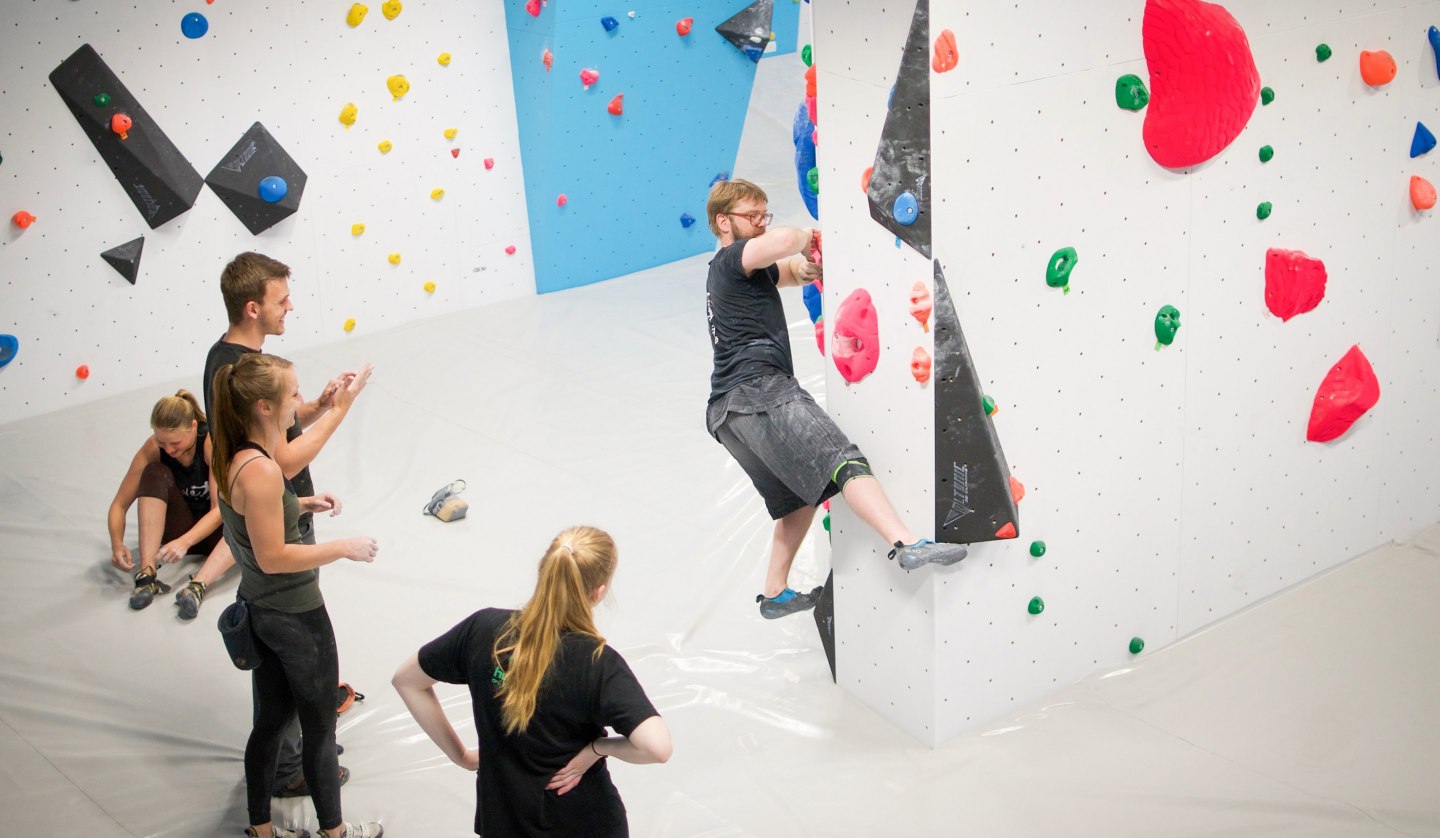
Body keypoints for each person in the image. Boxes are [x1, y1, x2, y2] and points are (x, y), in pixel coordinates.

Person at [704, 179, 968, 620]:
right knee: (843, 462)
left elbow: (788, 271)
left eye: (763, 216)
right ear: (723, 222)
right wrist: (814, 236)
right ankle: (907, 543)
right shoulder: (732, 257)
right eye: (751, 217)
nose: (760, 225)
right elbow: (786, 242)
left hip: (727, 412)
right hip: (759, 391)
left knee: (799, 494)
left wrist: (808, 268)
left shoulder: (743, 269)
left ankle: (774, 592)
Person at [202, 251, 371, 797]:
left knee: (285, 653)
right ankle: (293, 763)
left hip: (285, 510)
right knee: (291, 639)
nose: (289, 307)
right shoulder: (231, 367)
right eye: (281, 300)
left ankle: (299, 747)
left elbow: (272, 422)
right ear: (253, 307)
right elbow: (282, 461)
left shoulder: (234, 363)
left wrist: (317, 405)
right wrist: (341, 410)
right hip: (278, 520)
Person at [392, 526, 671, 837]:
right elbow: (657, 748)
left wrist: (461, 756)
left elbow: (407, 680)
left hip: (503, 820)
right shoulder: (597, 663)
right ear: (598, 592)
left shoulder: (483, 629)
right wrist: (597, 747)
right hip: (582, 821)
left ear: (544, 571)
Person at [211, 352, 382, 838]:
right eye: (292, 395)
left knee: (268, 724)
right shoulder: (261, 472)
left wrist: (299, 503)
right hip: (294, 615)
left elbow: (263, 496)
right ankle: (335, 832)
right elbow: (273, 556)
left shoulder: (230, 452)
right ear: (264, 408)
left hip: (259, 609)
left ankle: (261, 829)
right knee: (319, 730)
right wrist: (342, 548)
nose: (300, 401)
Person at [106, 389, 233, 618]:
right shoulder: (154, 448)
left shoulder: (210, 443)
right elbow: (119, 504)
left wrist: (185, 542)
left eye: (175, 442)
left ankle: (197, 587)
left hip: (215, 534)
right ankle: (146, 575)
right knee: (154, 472)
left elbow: (219, 510)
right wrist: (116, 543)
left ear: (194, 427)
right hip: (175, 532)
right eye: (161, 442)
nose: (169, 449)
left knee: (243, 515)